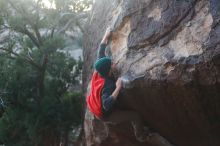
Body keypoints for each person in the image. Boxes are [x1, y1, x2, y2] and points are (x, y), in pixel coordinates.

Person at [86, 27, 149, 142]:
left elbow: (100, 51)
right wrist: (118, 87)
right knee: (135, 116)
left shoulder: (99, 69)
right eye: (112, 64)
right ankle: (141, 137)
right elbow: (106, 104)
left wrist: (106, 34)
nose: (113, 63)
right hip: (105, 115)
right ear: (109, 71)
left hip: (96, 103)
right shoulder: (109, 84)